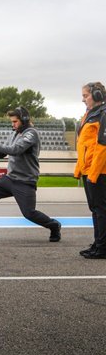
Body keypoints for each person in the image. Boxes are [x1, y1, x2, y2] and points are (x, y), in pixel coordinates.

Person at [0, 108, 61, 243]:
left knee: (29, 213)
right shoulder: (15, 133)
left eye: (15, 121)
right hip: (10, 179)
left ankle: (54, 225)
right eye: (12, 122)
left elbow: (16, 150)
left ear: (25, 120)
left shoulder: (31, 134)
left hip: (25, 181)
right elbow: (2, 154)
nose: (13, 124)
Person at [74, 82, 106, 259]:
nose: (83, 99)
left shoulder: (103, 114)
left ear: (97, 95)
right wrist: (80, 168)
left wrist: (93, 173)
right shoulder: (90, 114)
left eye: (86, 95)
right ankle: (98, 243)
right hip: (90, 169)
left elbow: (102, 147)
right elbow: (84, 144)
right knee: (95, 209)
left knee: (101, 210)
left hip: (100, 171)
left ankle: (102, 247)